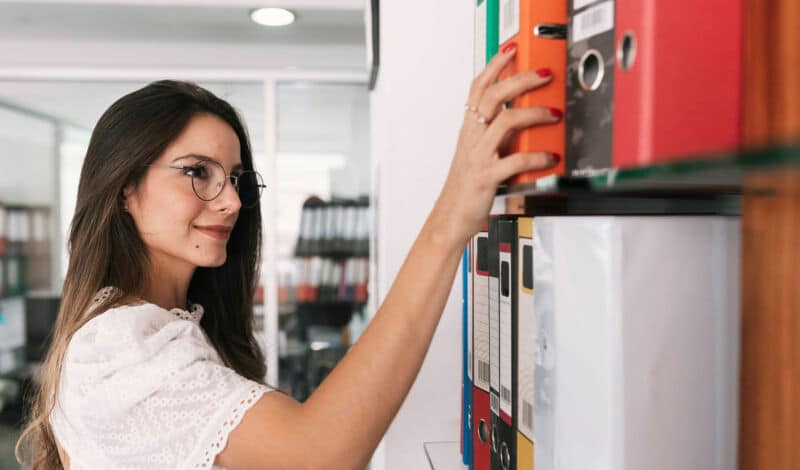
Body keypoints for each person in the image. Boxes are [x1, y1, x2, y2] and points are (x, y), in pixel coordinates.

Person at [16, 44, 558, 469]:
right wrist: (451, 220)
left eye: (234, 179)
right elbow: (317, 454)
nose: (229, 201)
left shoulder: (168, 327)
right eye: (196, 172)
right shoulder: (121, 346)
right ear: (125, 189)